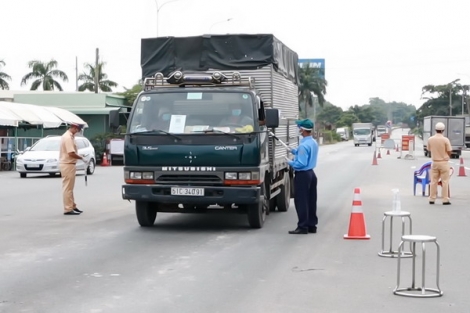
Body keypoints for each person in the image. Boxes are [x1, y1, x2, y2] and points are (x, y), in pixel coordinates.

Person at [287, 119, 319, 235]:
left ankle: (302, 226)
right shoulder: (313, 142)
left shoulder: (303, 146)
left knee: (301, 201)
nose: (298, 129)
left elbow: (301, 164)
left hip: (302, 175)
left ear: (302, 130)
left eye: (299, 127)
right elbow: (307, 155)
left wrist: (290, 162)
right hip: (311, 174)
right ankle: (311, 225)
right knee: (311, 200)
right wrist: (295, 151)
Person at [59, 123, 86, 215]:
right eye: (78, 130)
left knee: (70, 187)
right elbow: (71, 153)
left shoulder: (71, 136)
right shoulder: (67, 138)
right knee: (68, 188)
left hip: (69, 164)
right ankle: (68, 208)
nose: (78, 132)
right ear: (74, 128)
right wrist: (81, 158)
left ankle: (72, 205)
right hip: (68, 164)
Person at [427, 122, 452, 205]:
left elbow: (429, 149)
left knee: (433, 181)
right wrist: (446, 156)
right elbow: (449, 151)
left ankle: (432, 198)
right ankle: (445, 199)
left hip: (435, 162)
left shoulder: (430, 139)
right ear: (443, 130)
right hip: (444, 162)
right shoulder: (445, 139)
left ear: (435, 129)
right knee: (445, 181)